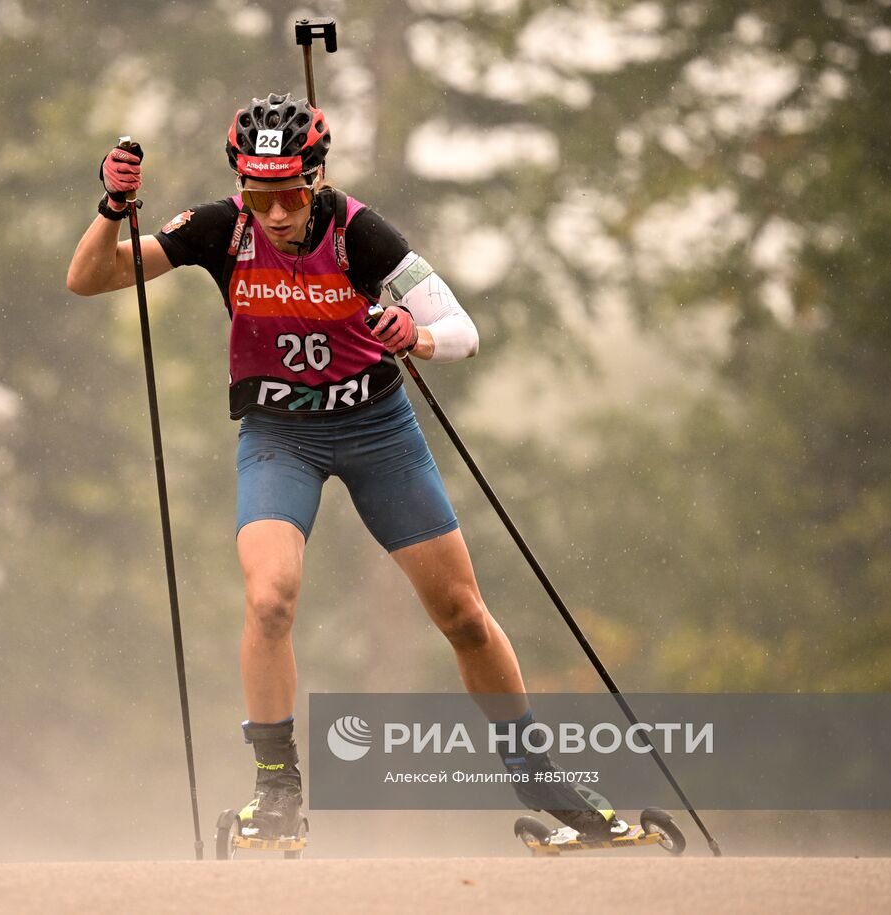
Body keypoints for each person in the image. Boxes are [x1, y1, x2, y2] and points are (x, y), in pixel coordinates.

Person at [66, 93, 628, 844]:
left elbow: (463, 329)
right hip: (280, 435)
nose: (275, 212)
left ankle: (543, 781)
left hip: (376, 430)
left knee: (461, 612)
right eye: (259, 193)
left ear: (319, 177)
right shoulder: (219, 229)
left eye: (291, 193)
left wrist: (415, 337)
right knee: (269, 598)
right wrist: (111, 207)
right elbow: (91, 278)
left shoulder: (361, 233)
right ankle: (276, 791)